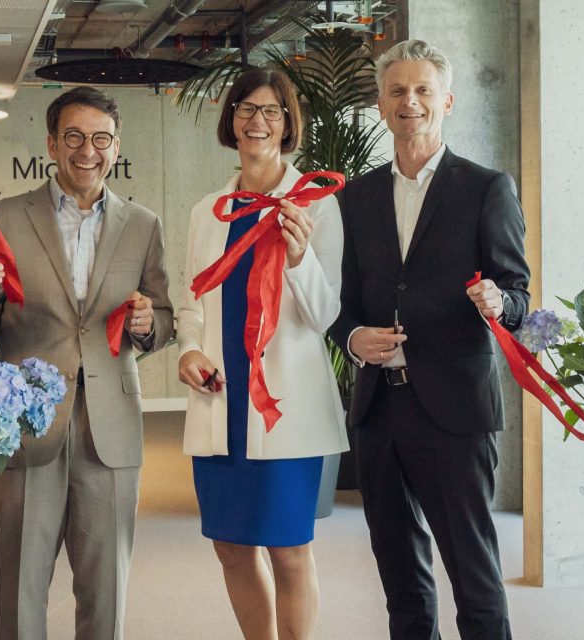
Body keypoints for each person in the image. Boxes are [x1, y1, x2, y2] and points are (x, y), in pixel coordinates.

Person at [0, 86, 173, 639]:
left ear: (115, 147)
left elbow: (164, 317)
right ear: (51, 143)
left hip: (111, 428)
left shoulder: (143, 224)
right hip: (27, 423)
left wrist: (149, 325)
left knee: (105, 589)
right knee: (22, 581)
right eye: (73, 136)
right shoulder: (1, 216)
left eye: (100, 138)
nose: (87, 150)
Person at [329, 40, 530, 640]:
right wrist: (352, 336)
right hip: (378, 410)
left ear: (446, 101)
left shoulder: (486, 187)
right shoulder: (355, 196)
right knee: (400, 578)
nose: (408, 102)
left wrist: (500, 301)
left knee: (473, 572)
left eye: (421, 91)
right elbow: (340, 302)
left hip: (455, 410)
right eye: (396, 91)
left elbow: (518, 294)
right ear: (380, 103)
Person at [176, 68, 348, 640]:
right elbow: (192, 301)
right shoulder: (209, 210)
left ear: (287, 125)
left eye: (271, 111)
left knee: (289, 549)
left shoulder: (315, 205)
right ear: (231, 120)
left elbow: (326, 314)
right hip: (220, 400)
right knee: (229, 545)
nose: (257, 121)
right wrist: (188, 352)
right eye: (246, 109)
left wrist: (300, 258)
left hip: (287, 406)